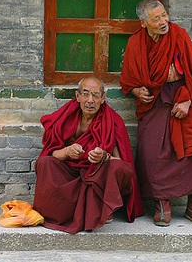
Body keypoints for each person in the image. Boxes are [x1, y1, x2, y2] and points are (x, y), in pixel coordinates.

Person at [119, 0, 192, 227]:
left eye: (164, 15)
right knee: (152, 151)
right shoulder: (136, 43)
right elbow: (128, 78)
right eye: (156, 19)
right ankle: (163, 204)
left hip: (182, 97)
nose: (164, 21)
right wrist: (136, 91)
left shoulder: (179, 36)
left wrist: (188, 101)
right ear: (144, 23)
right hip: (154, 102)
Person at [32, 76, 144, 234]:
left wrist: (103, 157)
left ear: (103, 98)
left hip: (94, 174)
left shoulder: (113, 121)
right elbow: (51, 153)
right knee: (45, 163)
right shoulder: (66, 116)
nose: (90, 100)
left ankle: (102, 208)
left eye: (96, 95)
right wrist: (66, 151)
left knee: (116, 167)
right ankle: (59, 212)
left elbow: (120, 162)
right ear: (77, 96)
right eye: (85, 94)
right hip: (69, 172)